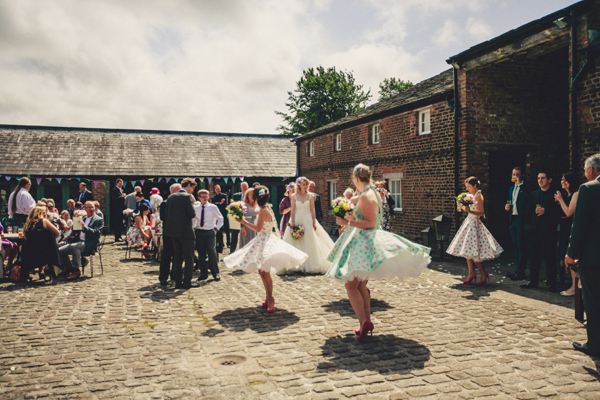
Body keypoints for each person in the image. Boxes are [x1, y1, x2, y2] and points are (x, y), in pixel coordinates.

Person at [326, 164, 431, 339]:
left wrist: (348, 224)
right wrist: (345, 208)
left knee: (351, 285)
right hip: (362, 241)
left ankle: (364, 321)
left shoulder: (367, 196)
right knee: (360, 285)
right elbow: (360, 211)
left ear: (356, 179)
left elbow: (370, 223)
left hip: (364, 243)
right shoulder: (370, 192)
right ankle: (365, 321)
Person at [224, 186, 308, 312]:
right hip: (262, 239)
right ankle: (268, 297)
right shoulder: (265, 208)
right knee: (262, 272)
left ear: (258, 197)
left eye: (254, 196)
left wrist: (243, 222)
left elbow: (258, 228)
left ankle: (270, 300)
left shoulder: (264, 210)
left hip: (265, 240)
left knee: (265, 272)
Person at [567, 154, 600, 358]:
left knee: (594, 300)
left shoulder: (588, 189)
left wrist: (571, 252)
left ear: (591, 171)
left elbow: (579, 225)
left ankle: (595, 344)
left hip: (593, 256)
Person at [447, 177, 503, 285]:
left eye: (468, 187)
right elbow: (469, 210)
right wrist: (462, 207)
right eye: (466, 187)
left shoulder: (478, 196)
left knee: (474, 252)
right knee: (467, 250)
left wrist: (470, 211)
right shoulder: (471, 196)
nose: (467, 189)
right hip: (469, 223)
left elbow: (481, 212)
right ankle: (471, 273)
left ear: (475, 185)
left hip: (475, 225)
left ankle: (483, 273)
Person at [283, 177, 335, 274]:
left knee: (309, 241)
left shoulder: (310, 196)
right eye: (304, 184)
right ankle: (295, 265)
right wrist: (293, 222)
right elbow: (293, 210)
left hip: (307, 219)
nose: (305, 186)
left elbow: (312, 210)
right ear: (299, 185)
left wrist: (314, 222)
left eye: (306, 184)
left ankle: (311, 264)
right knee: (296, 241)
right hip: (297, 218)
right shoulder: (294, 196)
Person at [521, 171, 561, 292]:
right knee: (534, 256)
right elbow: (528, 211)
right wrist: (528, 227)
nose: (540, 180)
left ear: (550, 180)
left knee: (550, 257)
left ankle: (551, 283)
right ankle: (533, 281)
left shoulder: (555, 195)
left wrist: (546, 212)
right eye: (538, 178)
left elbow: (559, 213)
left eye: (543, 178)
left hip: (548, 231)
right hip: (534, 230)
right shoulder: (533, 194)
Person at [164, 178, 197, 289]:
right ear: (188, 185)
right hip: (186, 231)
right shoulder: (187, 197)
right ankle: (187, 281)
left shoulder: (171, 197)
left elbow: (167, 214)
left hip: (173, 232)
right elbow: (192, 214)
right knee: (189, 257)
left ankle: (177, 281)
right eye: (192, 187)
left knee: (177, 257)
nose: (192, 190)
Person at [58, 201, 104, 280]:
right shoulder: (83, 218)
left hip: (89, 243)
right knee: (59, 250)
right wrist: (67, 238)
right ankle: (69, 268)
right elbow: (75, 231)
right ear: (85, 209)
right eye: (88, 207)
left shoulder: (98, 220)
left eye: (92, 207)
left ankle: (76, 271)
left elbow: (95, 233)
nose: (90, 209)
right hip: (78, 241)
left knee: (75, 247)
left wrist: (84, 227)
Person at [554, 172, 580, 295]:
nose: (563, 182)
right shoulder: (566, 194)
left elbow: (569, 212)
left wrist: (560, 200)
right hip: (564, 227)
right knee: (564, 256)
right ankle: (572, 284)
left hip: (571, 228)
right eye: (562, 179)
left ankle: (575, 287)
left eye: (565, 180)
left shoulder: (576, 194)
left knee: (571, 257)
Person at [505, 166, 531, 281]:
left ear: (522, 175)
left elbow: (528, 201)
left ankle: (521, 272)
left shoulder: (527, 188)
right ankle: (517, 270)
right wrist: (507, 207)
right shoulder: (511, 188)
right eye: (513, 174)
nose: (515, 177)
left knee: (522, 246)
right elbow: (510, 202)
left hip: (521, 219)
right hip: (513, 219)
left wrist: (520, 184)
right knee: (515, 246)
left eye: (517, 174)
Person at [22, 206, 62, 280]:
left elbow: (25, 238)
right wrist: (50, 239)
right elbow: (57, 232)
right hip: (45, 251)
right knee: (46, 247)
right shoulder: (44, 221)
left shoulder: (27, 223)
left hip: (31, 252)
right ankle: (44, 270)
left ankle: (30, 272)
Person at [194, 189, 224, 282]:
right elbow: (193, 219)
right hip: (199, 232)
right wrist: (194, 228)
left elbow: (220, 218)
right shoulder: (195, 208)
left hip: (210, 232)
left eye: (206, 196)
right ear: (199, 198)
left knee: (212, 251)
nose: (205, 198)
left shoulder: (213, 207)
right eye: (203, 197)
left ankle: (215, 273)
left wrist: (216, 228)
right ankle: (203, 274)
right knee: (201, 253)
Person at [158, 184, 180, 286]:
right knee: (166, 255)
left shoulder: (181, 203)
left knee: (178, 255)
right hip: (168, 233)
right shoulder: (164, 203)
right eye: (178, 191)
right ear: (172, 192)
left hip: (179, 233)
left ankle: (175, 276)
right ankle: (163, 277)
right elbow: (163, 217)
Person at [229, 182, 249, 253]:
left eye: (246, 187)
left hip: (247, 218)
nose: (244, 188)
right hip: (237, 218)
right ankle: (232, 251)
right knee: (234, 234)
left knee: (246, 235)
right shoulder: (236, 195)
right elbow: (232, 206)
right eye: (243, 187)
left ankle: (245, 251)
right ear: (240, 188)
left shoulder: (250, 196)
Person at [211, 185, 229, 253]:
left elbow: (225, 204)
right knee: (219, 230)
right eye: (217, 189)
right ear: (215, 190)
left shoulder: (224, 195)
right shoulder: (213, 197)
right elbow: (213, 205)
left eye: (219, 189)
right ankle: (220, 244)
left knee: (226, 229)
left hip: (223, 214)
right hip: (216, 215)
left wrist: (219, 204)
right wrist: (220, 203)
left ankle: (228, 243)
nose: (218, 190)